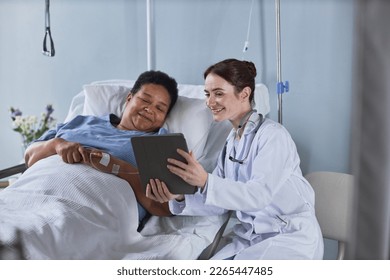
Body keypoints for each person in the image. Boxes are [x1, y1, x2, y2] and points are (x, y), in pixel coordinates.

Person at [146, 59, 324, 260]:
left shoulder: (273, 136)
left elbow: (259, 196)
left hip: (289, 239)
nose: (210, 102)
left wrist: (205, 181)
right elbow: (220, 203)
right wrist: (178, 196)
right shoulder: (231, 142)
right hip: (251, 239)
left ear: (244, 94)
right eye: (208, 94)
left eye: (219, 94)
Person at [25, 70, 179, 222]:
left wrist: (117, 167)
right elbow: (29, 158)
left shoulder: (158, 144)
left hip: (89, 214)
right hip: (31, 194)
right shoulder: (81, 122)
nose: (150, 109)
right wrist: (57, 145)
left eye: (160, 108)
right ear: (129, 98)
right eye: (145, 100)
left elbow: (165, 207)